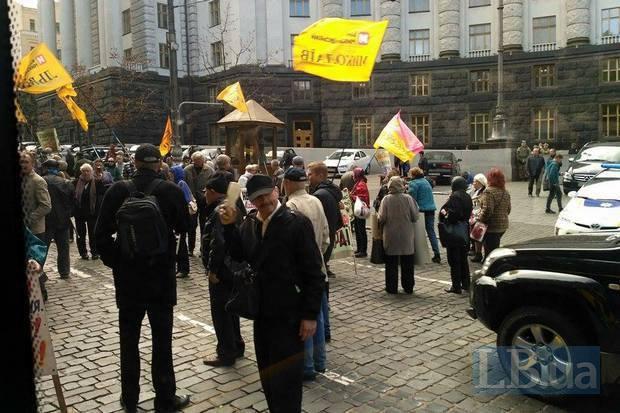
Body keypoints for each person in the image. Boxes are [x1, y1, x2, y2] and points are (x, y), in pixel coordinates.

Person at [95, 144, 191, 413]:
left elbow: (99, 236)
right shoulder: (170, 190)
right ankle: (165, 397)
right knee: (162, 340)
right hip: (160, 277)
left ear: (134, 163)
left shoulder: (117, 190)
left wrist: (119, 262)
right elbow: (185, 227)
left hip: (128, 280)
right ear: (159, 164)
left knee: (129, 340)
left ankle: (130, 397)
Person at [219, 174, 324, 412]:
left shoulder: (296, 223)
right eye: (258, 198)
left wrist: (309, 315)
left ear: (277, 191)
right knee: (268, 375)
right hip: (262, 311)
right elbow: (239, 255)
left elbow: (313, 273)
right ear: (252, 201)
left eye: (267, 194)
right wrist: (228, 227)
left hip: (289, 314)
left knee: (286, 380)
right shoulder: (251, 223)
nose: (264, 200)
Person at [283, 168, 330, 382]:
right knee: (317, 316)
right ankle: (320, 362)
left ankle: (308, 365)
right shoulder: (316, 201)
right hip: (318, 264)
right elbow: (326, 235)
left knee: (307, 318)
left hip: (302, 271)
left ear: (288, 183)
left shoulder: (291, 205)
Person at [201, 173, 245, 367]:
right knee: (232, 308)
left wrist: (213, 270)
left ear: (212, 192)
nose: (204, 195)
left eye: (205, 192)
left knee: (221, 312)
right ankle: (237, 345)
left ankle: (226, 352)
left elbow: (218, 243)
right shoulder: (231, 204)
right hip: (235, 267)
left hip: (223, 269)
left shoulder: (221, 210)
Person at [378, 176, 419, 294]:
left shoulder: (386, 199)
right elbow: (415, 216)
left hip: (391, 235)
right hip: (406, 235)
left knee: (391, 263)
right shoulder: (408, 199)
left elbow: (382, 218)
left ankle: (391, 287)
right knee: (407, 263)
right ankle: (408, 286)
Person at [21, 151, 52, 301]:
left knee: (35, 264)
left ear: (32, 163)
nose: (23, 165)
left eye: (26, 162)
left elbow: (46, 206)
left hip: (35, 231)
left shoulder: (38, 181)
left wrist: (29, 218)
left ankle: (41, 294)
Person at [41, 159, 74, 279]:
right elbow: (73, 201)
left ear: (45, 168)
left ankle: (40, 273)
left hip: (46, 220)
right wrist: (68, 213)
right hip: (63, 220)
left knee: (42, 249)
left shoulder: (41, 181)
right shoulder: (66, 182)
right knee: (63, 248)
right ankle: (64, 271)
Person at [440, 177, 473, 294]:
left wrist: (444, 213)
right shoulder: (467, 196)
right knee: (463, 258)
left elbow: (453, 215)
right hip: (464, 229)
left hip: (455, 232)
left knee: (454, 259)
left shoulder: (455, 197)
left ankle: (456, 286)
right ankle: (466, 283)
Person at [408, 167, 441, 263]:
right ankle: (437, 253)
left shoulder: (414, 184)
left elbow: (411, 199)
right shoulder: (426, 181)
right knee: (431, 232)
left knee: (416, 232)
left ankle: (418, 253)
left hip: (421, 210)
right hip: (431, 209)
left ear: (413, 175)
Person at [184, 151, 214, 256]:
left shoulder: (209, 170)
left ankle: (203, 249)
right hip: (191, 201)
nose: (197, 163)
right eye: (195, 161)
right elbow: (183, 184)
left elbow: (212, 184)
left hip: (204, 201)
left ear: (203, 160)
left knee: (204, 226)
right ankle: (190, 248)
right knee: (191, 225)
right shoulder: (187, 170)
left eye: (199, 161)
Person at [74, 163, 105, 260]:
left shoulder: (97, 182)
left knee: (93, 234)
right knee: (81, 234)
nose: (86, 173)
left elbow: (101, 197)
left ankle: (95, 252)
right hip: (80, 213)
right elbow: (73, 197)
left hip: (93, 213)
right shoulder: (76, 183)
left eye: (88, 171)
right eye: (84, 171)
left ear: (91, 171)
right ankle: (83, 252)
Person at [478, 168, 511, 257]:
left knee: (490, 251)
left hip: (491, 227)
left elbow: (487, 210)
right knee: (492, 247)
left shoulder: (488, 192)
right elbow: (508, 210)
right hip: (503, 226)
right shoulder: (506, 192)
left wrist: (479, 219)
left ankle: (490, 267)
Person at [350, 167, 370, 258]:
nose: (353, 176)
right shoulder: (359, 182)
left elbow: (361, 198)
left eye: (354, 174)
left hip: (361, 211)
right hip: (358, 210)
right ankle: (359, 248)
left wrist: (352, 196)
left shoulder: (361, 184)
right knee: (358, 230)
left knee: (361, 230)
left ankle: (363, 250)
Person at [468, 174, 487, 263]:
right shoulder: (476, 191)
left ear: (480, 183)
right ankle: (477, 253)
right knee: (475, 236)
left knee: (479, 237)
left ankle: (479, 254)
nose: (473, 183)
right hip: (474, 216)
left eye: (475, 181)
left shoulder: (484, 192)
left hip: (479, 217)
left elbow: (482, 205)